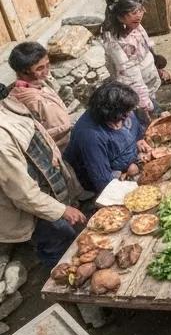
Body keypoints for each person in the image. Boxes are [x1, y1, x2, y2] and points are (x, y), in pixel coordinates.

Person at [0, 88, 86, 266]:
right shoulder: (2, 142)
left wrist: (53, 154)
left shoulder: (9, 104)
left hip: (45, 189)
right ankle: (60, 282)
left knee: (71, 238)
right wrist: (61, 210)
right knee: (58, 242)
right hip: (29, 206)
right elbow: (23, 194)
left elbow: (39, 133)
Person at [65, 82, 149, 194]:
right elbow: (103, 182)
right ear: (111, 115)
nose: (129, 115)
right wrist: (126, 173)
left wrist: (139, 140)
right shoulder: (90, 136)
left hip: (128, 161)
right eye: (125, 113)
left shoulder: (122, 111)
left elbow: (134, 127)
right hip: (104, 180)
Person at [101, 0, 164, 123]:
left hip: (148, 80)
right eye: (134, 13)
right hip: (135, 89)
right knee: (145, 118)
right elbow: (129, 73)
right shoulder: (114, 42)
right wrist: (144, 101)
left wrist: (155, 60)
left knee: (154, 107)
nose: (139, 15)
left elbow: (146, 44)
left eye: (140, 10)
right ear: (120, 18)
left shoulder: (135, 25)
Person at [7, 42, 72, 150]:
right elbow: (58, 130)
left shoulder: (37, 83)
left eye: (47, 64)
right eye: (40, 68)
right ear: (24, 72)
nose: (46, 71)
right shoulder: (35, 100)